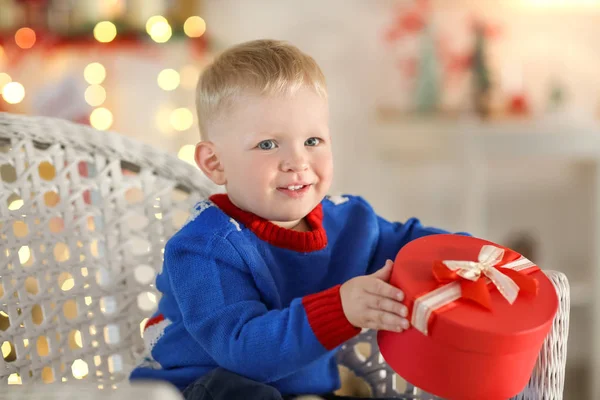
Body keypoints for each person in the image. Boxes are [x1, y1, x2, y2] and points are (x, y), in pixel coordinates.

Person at [129, 39, 465, 400]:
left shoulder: (351, 221)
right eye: (269, 144)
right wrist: (341, 308)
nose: (298, 161)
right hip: (201, 387)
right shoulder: (202, 249)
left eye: (313, 140)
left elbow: (417, 244)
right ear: (215, 163)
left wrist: (480, 259)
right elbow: (243, 351)